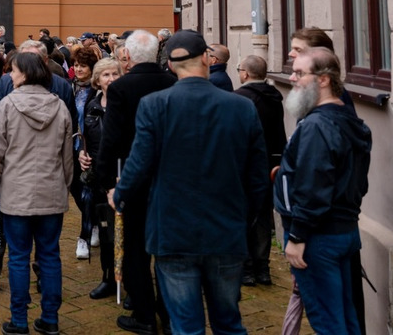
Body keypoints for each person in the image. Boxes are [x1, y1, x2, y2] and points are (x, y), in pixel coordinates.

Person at [110, 29, 267, 335]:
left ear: (170, 64)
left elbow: (139, 161)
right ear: (207, 60)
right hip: (225, 230)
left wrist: (121, 193)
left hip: (173, 230)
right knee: (228, 322)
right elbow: (258, 176)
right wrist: (244, 217)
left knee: (185, 325)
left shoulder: (155, 105)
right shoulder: (241, 106)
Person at [275, 47, 371, 335]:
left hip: (319, 238)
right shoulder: (349, 119)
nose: (292, 78)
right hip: (343, 232)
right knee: (345, 316)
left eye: (300, 73)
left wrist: (297, 236)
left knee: (329, 322)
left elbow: (313, 187)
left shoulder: (318, 125)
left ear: (325, 79)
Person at [0, 52, 75, 335]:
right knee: (49, 255)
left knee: (19, 257)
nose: (10, 74)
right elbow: (67, 157)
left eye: (15, 70)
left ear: (26, 74)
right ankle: (50, 319)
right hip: (51, 192)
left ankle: (19, 320)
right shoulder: (59, 107)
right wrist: (65, 186)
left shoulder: (7, 106)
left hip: (16, 194)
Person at [95, 29, 176, 335]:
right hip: (167, 177)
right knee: (167, 252)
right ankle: (169, 316)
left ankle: (144, 315)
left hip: (132, 177)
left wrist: (106, 181)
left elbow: (111, 138)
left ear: (126, 56)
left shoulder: (121, 88)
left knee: (135, 250)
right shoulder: (172, 82)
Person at [234, 54, 286, 286]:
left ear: (245, 73)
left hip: (246, 166)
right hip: (270, 165)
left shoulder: (238, 99)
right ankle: (262, 267)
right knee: (263, 217)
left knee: (243, 215)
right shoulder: (275, 97)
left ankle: (246, 268)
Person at [80, 57, 122, 299]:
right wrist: (81, 154)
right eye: (106, 75)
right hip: (99, 175)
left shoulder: (127, 104)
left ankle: (127, 277)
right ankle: (108, 277)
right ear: (97, 80)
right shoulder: (91, 105)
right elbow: (86, 136)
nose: (111, 79)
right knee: (106, 231)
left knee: (125, 232)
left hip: (121, 176)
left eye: (115, 74)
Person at [69, 41, 101, 260]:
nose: (79, 69)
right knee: (74, 189)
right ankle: (95, 221)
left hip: (88, 147)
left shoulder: (96, 91)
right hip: (71, 146)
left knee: (87, 191)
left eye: (83, 65)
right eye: (76, 65)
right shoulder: (69, 86)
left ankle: (84, 236)